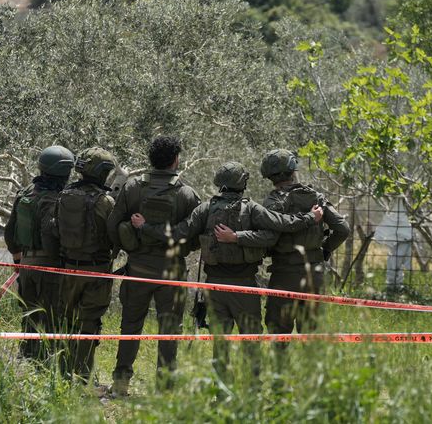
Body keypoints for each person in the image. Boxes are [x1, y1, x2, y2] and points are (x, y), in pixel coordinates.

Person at [133, 161, 323, 379]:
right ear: (242, 183)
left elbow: (176, 233)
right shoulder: (251, 208)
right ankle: (252, 393)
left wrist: (145, 227)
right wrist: (311, 218)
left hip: (215, 287)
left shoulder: (205, 209)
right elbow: (281, 225)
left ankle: (221, 395)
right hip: (245, 288)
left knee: (220, 345)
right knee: (251, 342)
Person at [107, 136, 200, 396]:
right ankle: (166, 391)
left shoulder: (132, 187)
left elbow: (113, 225)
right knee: (170, 329)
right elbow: (194, 235)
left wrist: (131, 247)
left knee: (130, 326)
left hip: (137, 269)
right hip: (173, 270)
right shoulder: (187, 193)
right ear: (175, 160)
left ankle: (120, 385)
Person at [257, 149, 349, 352]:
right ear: (292, 170)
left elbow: (266, 237)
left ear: (269, 175)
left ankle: (280, 380)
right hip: (313, 274)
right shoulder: (316, 198)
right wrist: (325, 249)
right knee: (312, 335)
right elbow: (342, 229)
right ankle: (310, 381)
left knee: (278, 335)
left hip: (283, 274)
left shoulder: (272, 202)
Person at [3, 145, 75, 361]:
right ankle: (49, 366)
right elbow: (51, 237)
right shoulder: (58, 199)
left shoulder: (25, 193)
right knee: (52, 319)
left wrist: (19, 260)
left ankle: (26, 360)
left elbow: (9, 233)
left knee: (29, 317)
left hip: (26, 265)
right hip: (50, 268)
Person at [55, 147, 117, 383]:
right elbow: (113, 236)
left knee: (66, 322)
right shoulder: (105, 201)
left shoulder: (65, 195)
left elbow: (54, 228)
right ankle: (82, 377)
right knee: (89, 324)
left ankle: (62, 374)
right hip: (97, 272)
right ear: (102, 173)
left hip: (68, 267)